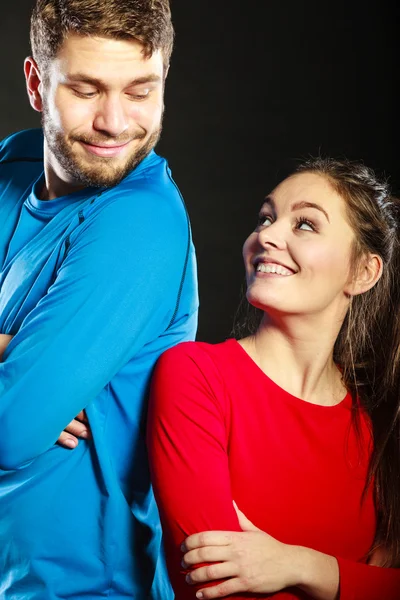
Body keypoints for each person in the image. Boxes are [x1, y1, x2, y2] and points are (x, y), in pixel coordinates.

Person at [0, 0, 198, 598]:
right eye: (85, 90)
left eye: (139, 90)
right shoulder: (12, 165)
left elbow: (11, 430)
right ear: (37, 84)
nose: (115, 122)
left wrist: (19, 376)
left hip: (82, 586)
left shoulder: (138, 222)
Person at [147, 157, 400, 599]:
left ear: (363, 272)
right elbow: (217, 580)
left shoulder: (377, 424)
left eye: (304, 225)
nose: (266, 235)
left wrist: (300, 565)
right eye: (266, 218)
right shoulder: (195, 376)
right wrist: (352, 580)